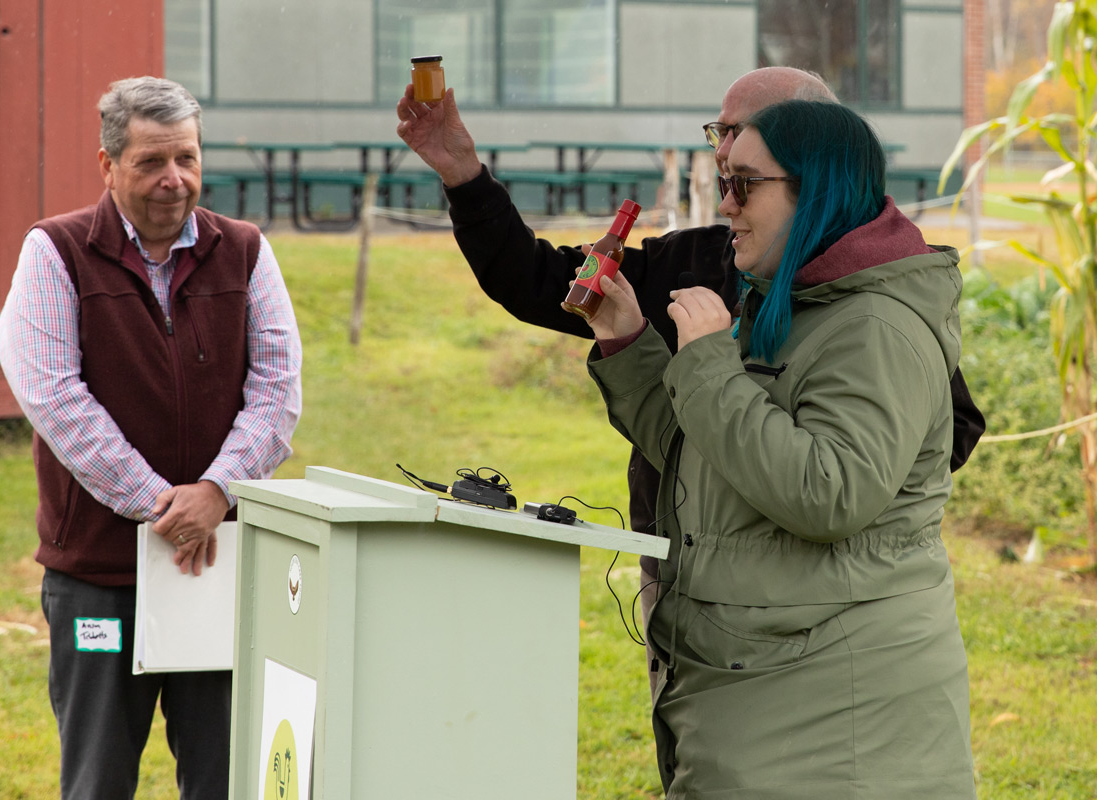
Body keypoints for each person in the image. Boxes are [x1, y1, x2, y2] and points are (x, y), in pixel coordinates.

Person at [396, 65, 985, 691]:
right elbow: (534, 281)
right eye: (720, 135)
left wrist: (788, 523)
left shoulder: (870, 305)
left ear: (817, 155)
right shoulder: (702, 257)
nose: (727, 161)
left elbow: (933, 437)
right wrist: (462, 174)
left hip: (814, 617)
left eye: (747, 138)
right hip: (677, 564)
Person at [583, 99, 976, 796]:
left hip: (837, 724)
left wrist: (707, 363)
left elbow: (830, 493)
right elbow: (711, 452)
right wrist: (627, 340)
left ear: (816, 189)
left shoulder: (877, 325)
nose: (725, 205)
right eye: (721, 180)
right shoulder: (788, 300)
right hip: (756, 697)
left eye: (744, 185)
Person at [0, 76, 301, 800]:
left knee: (226, 773)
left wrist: (217, 492)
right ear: (107, 165)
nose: (175, 180)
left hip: (217, 567)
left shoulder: (246, 252)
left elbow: (278, 388)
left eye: (187, 159)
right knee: (98, 775)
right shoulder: (55, 252)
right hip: (98, 577)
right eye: (151, 162)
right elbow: (54, 396)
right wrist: (165, 507)